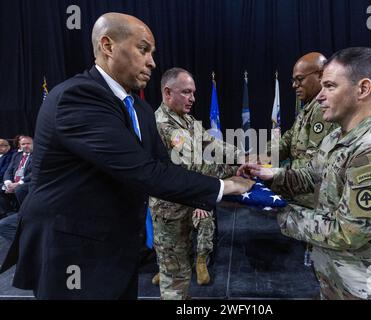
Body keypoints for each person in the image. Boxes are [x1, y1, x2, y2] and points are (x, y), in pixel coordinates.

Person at [0, 12, 253, 300]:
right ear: (107, 46)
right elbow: (144, 171)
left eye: (152, 53)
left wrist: (235, 174)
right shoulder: (78, 97)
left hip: (117, 247)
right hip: (73, 253)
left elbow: (163, 166)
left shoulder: (140, 109)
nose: (152, 62)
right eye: (143, 49)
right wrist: (227, 187)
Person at [238, 47, 371, 299]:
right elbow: (311, 177)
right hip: (337, 278)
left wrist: (279, 210)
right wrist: (270, 176)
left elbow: (347, 232)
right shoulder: (337, 137)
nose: (321, 96)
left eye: (330, 86)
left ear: (363, 89)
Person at [150, 68, 241, 299]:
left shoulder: (186, 120)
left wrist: (243, 156)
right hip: (170, 213)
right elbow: (193, 168)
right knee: (174, 276)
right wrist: (234, 171)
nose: (192, 98)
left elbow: (211, 144)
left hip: (187, 204)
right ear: (168, 93)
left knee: (184, 267)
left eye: (193, 93)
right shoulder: (164, 126)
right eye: (186, 92)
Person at [267, 52, 337, 209]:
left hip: (312, 200)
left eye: (299, 79)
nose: (294, 85)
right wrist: (263, 156)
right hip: (299, 194)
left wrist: (273, 174)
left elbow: (312, 164)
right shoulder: (308, 109)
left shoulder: (322, 109)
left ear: (320, 75)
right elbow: (287, 140)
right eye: (293, 80)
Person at [0, 136, 33, 216]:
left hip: (27, 182)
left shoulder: (37, 155)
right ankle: (9, 213)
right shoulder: (17, 155)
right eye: (23, 144)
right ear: (20, 146)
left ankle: (24, 214)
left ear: (33, 144)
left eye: (28, 143)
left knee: (19, 189)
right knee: (2, 187)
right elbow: (9, 171)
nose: (26, 146)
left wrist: (19, 183)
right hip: (13, 183)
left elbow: (35, 172)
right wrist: (8, 183)